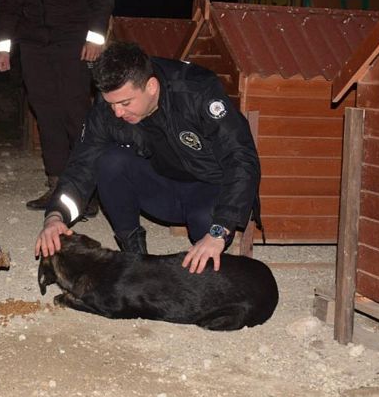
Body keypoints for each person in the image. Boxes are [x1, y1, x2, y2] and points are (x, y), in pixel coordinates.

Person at [35, 42, 261, 274]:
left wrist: (219, 230)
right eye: (112, 103)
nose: (118, 112)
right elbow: (82, 165)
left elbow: (241, 159)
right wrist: (55, 216)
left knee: (205, 226)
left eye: (125, 103)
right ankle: (134, 257)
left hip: (209, 189)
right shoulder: (108, 108)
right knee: (110, 160)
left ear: (151, 86)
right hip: (162, 188)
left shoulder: (196, 91)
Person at [0, 0, 114, 214]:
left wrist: (95, 37)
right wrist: (3, 46)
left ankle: (88, 189)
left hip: (73, 39)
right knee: (45, 112)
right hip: (33, 44)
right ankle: (57, 184)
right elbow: (8, 1)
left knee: (75, 111)